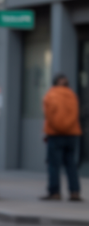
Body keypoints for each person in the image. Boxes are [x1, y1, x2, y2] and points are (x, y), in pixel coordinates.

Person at [41, 73, 82, 201]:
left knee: (54, 165)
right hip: (72, 134)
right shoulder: (72, 95)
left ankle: (55, 192)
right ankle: (74, 192)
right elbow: (75, 113)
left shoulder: (50, 95)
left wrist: (56, 128)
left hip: (55, 134)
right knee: (71, 164)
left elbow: (48, 115)